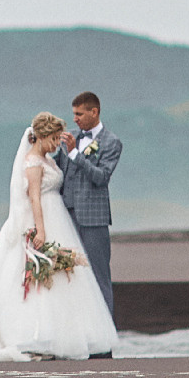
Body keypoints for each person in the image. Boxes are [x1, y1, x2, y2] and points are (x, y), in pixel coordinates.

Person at [0, 112, 119, 362]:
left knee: (65, 277)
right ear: (42, 136)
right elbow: (34, 197)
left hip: (58, 216)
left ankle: (66, 335)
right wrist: (40, 228)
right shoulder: (33, 162)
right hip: (43, 217)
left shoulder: (48, 159)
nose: (57, 142)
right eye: (54, 138)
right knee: (42, 278)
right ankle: (37, 334)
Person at [55, 91, 120, 330]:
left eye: (79, 114)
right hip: (65, 216)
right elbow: (57, 168)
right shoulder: (70, 137)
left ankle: (104, 338)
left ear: (94, 112)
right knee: (67, 275)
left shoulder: (111, 142)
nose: (75, 119)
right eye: (73, 114)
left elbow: (101, 177)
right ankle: (73, 333)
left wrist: (75, 154)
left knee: (98, 276)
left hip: (93, 219)